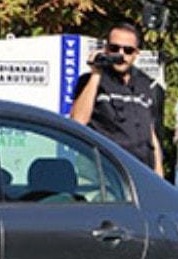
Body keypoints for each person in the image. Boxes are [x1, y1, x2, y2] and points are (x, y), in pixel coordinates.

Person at [70, 22, 163, 176]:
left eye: (128, 50)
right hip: (104, 172)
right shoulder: (90, 81)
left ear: (136, 54)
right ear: (106, 49)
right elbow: (78, 121)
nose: (121, 54)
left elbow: (151, 133)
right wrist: (96, 73)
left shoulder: (145, 85)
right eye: (114, 48)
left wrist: (159, 173)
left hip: (141, 173)